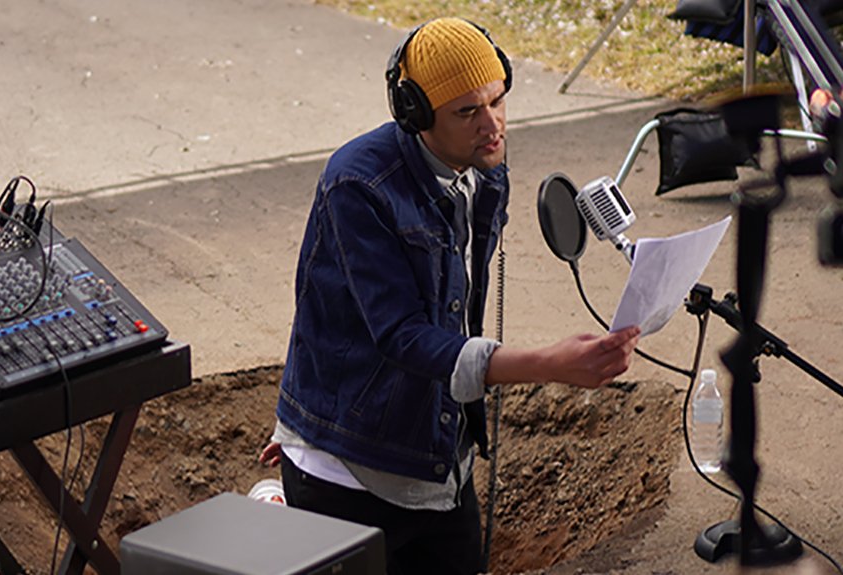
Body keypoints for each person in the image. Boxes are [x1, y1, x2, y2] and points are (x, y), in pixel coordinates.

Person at [259, 17, 640, 575]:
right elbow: (403, 334)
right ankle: (276, 499)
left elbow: (453, 308)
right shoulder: (357, 185)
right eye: (467, 111)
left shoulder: (483, 167)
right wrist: (548, 364)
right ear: (415, 114)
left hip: (440, 465)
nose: (493, 125)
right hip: (349, 474)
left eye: (498, 100)